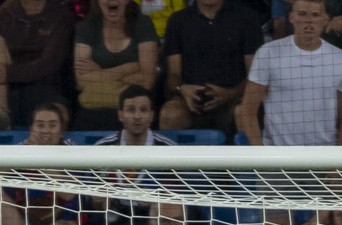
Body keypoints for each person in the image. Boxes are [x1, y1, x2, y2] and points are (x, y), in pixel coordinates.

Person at [237, 0, 342, 147]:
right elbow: (248, 110)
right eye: (302, 14)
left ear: (325, 19)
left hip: (324, 159)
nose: (308, 20)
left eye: (315, 15)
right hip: (278, 159)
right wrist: (261, 156)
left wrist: (336, 164)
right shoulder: (268, 53)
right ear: (291, 17)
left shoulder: (341, 59)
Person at [0, 0, 76, 131]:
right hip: (1, 91)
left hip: (42, 88)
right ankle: (2, 116)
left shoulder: (61, 16)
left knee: (58, 116)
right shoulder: (2, 14)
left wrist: (9, 73)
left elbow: (50, 63)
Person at [158, 0, 261, 134]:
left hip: (233, 100)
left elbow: (255, 76)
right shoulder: (177, 21)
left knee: (244, 113)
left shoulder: (247, 18)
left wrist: (231, 94)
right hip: (190, 103)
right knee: (170, 114)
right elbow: (173, 75)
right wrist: (182, 89)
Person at [72, 0, 160, 130]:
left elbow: (147, 81)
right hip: (96, 107)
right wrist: (130, 68)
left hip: (135, 107)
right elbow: (81, 82)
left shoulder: (143, 23)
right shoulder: (87, 26)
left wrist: (99, 72)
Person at [93, 85, 176, 145]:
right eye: (131, 110)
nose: (137, 116)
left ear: (152, 115)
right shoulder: (102, 148)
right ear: (120, 115)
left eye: (143, 110)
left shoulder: (169, 149)